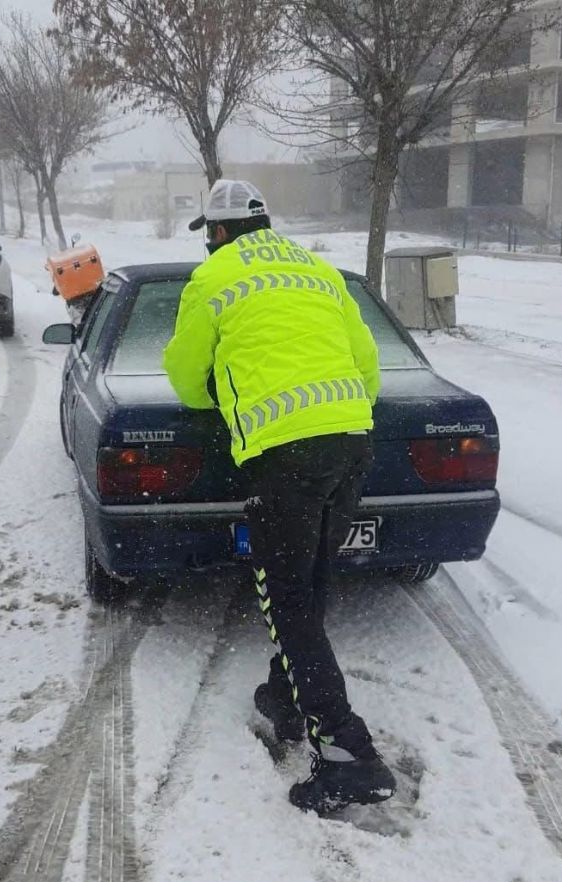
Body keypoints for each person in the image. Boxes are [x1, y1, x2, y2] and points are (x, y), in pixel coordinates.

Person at [163, 179, 396, 814]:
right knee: (313, 580)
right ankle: (284, 693)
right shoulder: (321, 271)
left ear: (217, 231)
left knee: (286, 600)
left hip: (283, 455)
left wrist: (238, 396)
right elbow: (368, 368)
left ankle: (349, 752)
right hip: (350, 443)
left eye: (209, 233)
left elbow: (185, 381)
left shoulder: (212, 279)